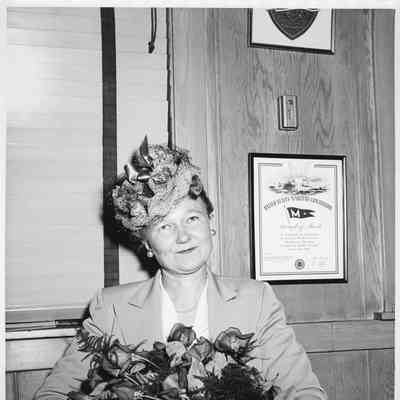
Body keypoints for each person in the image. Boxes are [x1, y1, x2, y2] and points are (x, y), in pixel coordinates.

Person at [35, 137, 327, 400]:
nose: (183, 237)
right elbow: (53, 393)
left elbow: (304, 391)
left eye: (192, 219)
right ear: (147, 244)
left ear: (210, 224)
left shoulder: (257, 300)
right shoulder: (111, 308)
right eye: (165, 226)